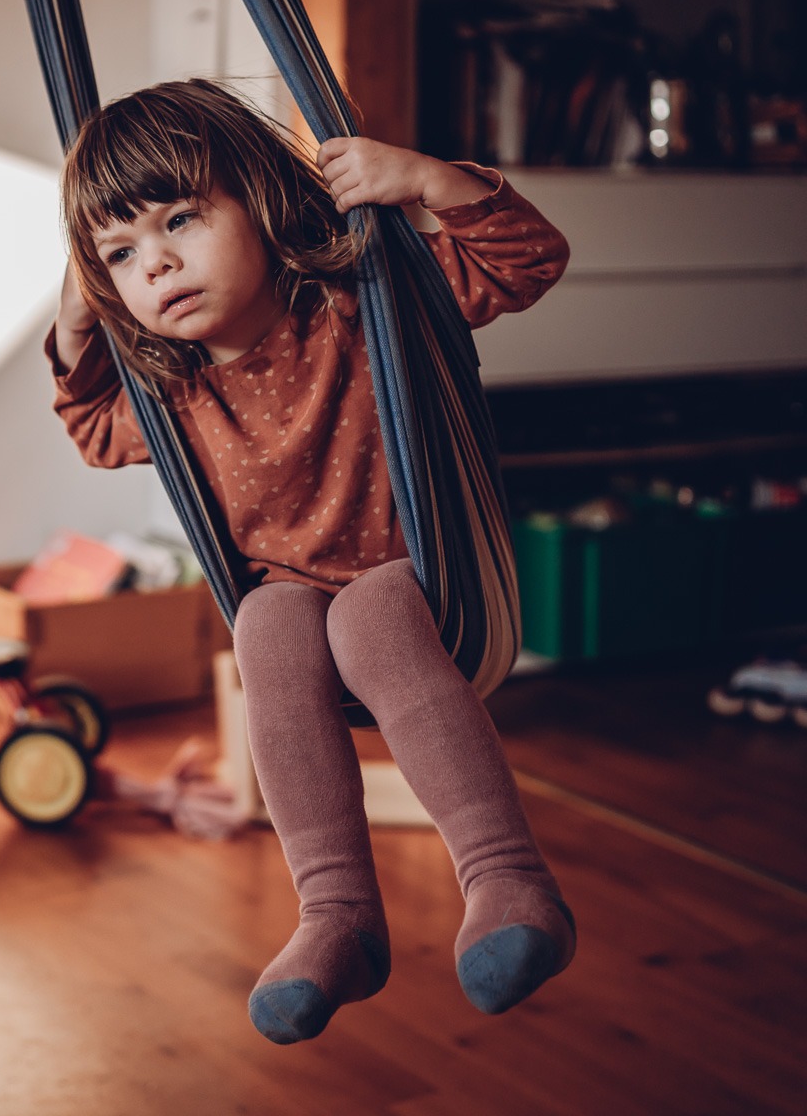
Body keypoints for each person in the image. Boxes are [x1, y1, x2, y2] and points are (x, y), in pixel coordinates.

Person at [47, 80, 574, 1045]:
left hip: (427, 584)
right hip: (298, 607)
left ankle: (507, 882)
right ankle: (336, 917)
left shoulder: (366, 304)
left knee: (368, 612)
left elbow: (526, 261)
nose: (156, 263)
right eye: (122, 254)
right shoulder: (173, 391)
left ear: (259, 197)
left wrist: (426, 181)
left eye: (181, 220)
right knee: (265, 621)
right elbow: (90, 425)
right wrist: (77, 325)